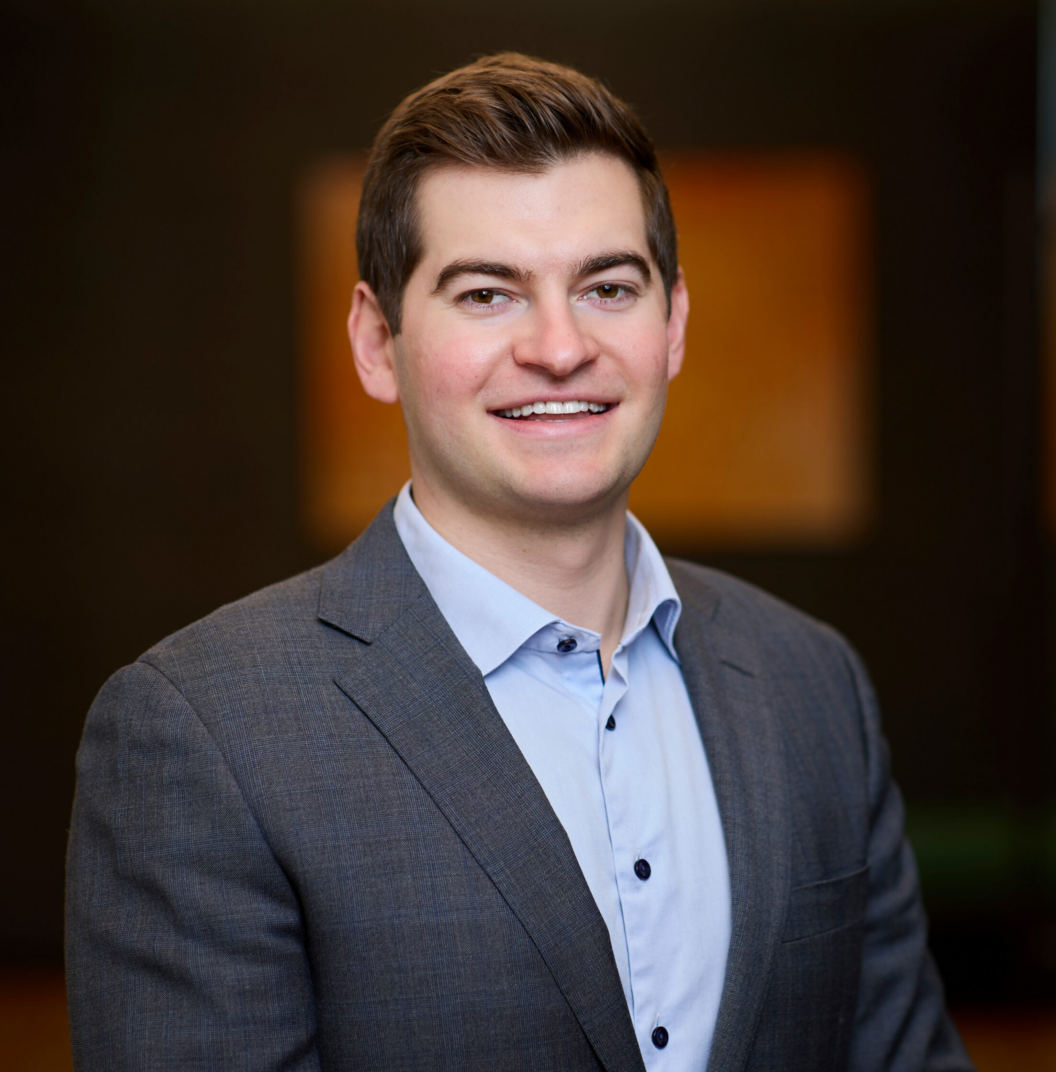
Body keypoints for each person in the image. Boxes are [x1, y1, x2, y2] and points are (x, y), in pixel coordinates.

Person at [65, 53, 973, 1072]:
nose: (558, 345)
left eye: (608, 286)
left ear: (672, 323)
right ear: (377, 340)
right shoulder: (201, 733)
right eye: (489, 293)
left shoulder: (812, 682)